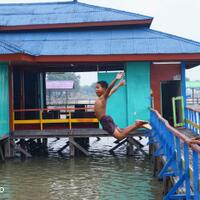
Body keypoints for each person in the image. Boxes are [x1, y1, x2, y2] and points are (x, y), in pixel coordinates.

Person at [94, 72, 151, 141]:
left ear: (103, 89)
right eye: (95, 88)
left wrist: (116, 79)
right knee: (121, 132)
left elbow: (109, 89)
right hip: (107, 119)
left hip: (105, 121)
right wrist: (119, 85)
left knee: (119, 137)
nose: (96, 90)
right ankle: (139, 125)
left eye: (98, 88)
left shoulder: (102, 98)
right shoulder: (103, 98)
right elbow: (112, 91)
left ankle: (137, 124)